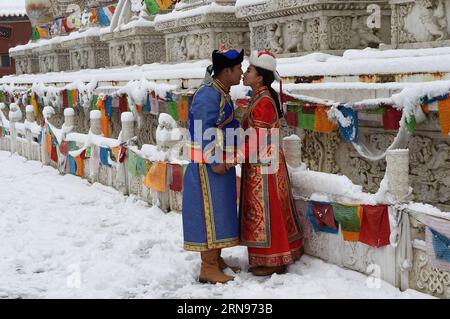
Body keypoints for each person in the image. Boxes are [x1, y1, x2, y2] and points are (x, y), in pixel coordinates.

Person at [239, 50, 303, 276]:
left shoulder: (263, 100)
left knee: (269, 210)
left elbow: (258, 137)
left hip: (264, 164)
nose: (244, 73)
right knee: (265, 210)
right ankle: (268, 257)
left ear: (260, 77)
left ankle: (274, 259)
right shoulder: (260, 96)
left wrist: (235, 156)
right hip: (262, 162)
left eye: (249, 70)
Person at [182, 49, 243, 284]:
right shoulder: (208, 95)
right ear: (226, 71)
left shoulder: (221, 92)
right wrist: (215, 159)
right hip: (208, 168)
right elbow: (200, 129)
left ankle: (216, 260)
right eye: (238, 69)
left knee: (221, 212)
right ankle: (207, 267)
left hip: (221, 164)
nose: (240, 73)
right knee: (209, 213)